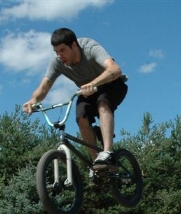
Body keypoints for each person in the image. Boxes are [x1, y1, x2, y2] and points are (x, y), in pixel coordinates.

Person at [22, 28, 128, 168]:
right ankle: (96, 164)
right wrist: (33, 100)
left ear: (74, 45)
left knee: (102, 103)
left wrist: (93, 83)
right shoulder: (57, 63)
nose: (60, 55)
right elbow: (44, 87)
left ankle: (108, 152)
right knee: (81, 118)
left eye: (62, 50)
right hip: (87, 92)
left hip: (113, 84)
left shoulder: (89, 48)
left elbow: (115, 69)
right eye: (56, 52)